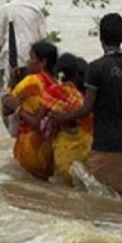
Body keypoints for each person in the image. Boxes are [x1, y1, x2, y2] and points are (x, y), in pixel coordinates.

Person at [50, 14, 122, 201]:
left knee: (96, 204)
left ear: (100, 37)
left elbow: (86, 109)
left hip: (103, 146)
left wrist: (61, 117)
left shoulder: (96, 68)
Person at [1, 41, 57, 179]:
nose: (28, 62)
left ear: (42, 62)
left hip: (29, 146)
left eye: (32, 58)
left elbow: (6, 108)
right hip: (49, 150)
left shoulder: (31, 81)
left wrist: (11, 84)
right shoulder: (55, 83)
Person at [39, 53, 92, 186]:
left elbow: (37, 120)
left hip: (64, 147)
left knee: (63, 187)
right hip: (84, 146)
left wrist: (18, 109)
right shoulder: (81, 96)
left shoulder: (53, 92)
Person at [0, 0, 47, 88]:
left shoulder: (5, 9)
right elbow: (43, 38)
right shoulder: (36, 10)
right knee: (31, 88)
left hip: (12, 56)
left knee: (10, 89)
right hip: (32, 57)